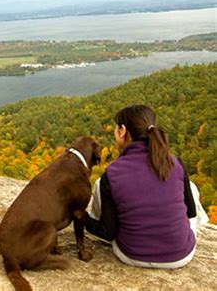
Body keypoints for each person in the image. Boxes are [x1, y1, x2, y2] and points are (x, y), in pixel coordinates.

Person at [85, 104, 209, 269]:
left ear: (122, 131)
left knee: (102, 186)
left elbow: (108, 234)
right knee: (190, 187)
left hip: (132, 255)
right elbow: (191, 213)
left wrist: (81, 217)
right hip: (181, 256)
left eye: (116, 129)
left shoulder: (112, 173)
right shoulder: (174, 163)